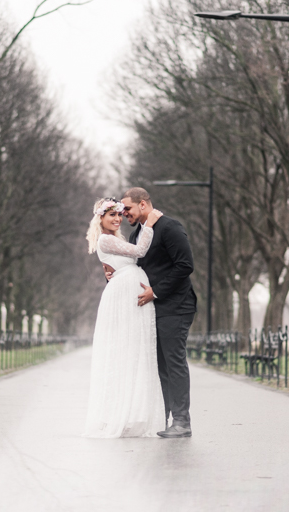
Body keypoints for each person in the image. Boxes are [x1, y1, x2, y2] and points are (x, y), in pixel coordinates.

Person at [83, 198, 166, 438]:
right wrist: (149, 224)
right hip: (124, 296)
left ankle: (131, 412)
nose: (118, 219)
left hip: (128, 290)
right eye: (112, 215)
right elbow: (140, 250)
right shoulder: (106, 239)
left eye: (119, 215)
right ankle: (120, 413)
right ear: (101, 218)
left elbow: (122, 261)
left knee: (134, 351)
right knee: (126, 350)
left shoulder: (115, 239)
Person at [120, 187, 196, 438]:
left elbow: (185, 265)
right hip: (153, 309)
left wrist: (156, 291)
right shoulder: (136, 235)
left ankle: (182, 421)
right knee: (160, 365)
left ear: (143, 204)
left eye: (127, 208)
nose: (123, 214)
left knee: (173, 362)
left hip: (176, 306)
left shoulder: (170, 227)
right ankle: (164, 418)